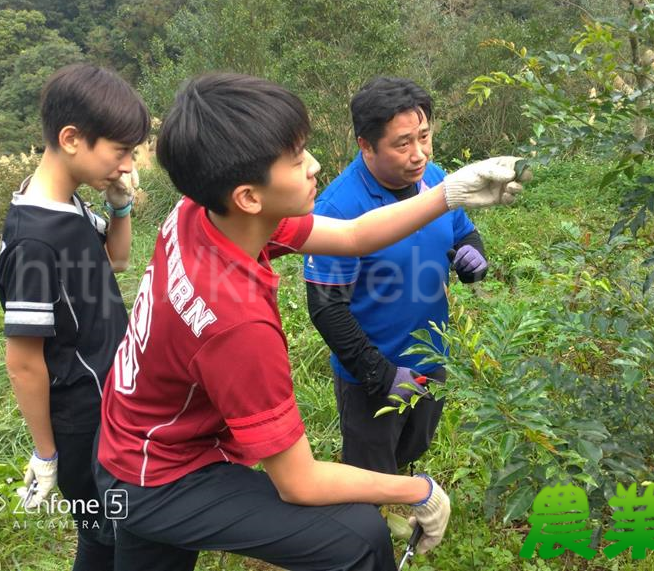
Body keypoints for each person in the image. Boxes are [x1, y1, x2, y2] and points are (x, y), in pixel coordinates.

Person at [94, 72, 526, 570]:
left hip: (132, 435)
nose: (316, 165)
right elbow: (298, 482)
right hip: (162, 476)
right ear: (249, 196)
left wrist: (448, 193)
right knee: (358, 535)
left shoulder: (202, 210)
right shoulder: (236, 322)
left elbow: (353, 237)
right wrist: (419, 490)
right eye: (297, 158)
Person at [0, 63, 148, 570]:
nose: (127, 165)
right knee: (104, 532)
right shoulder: (35, 240)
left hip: (111, 399)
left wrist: (120, 208)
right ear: (72, 138)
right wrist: (46, 454)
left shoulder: (67, 205)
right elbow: (23, 362)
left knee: (113, 527)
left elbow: (116, 261)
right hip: (84, 418)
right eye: (120, 151)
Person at [303, 77, 488, 476]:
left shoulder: (438, 182)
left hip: (431, 357)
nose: (419, 154)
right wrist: (379, 373)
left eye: (425, 137)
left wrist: (473, 254)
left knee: (411, 448)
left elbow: (462, 233)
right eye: (402, 144)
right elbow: (326, 307)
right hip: (371, 373)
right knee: (370, 473)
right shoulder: (338, 208)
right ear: (365, 145)